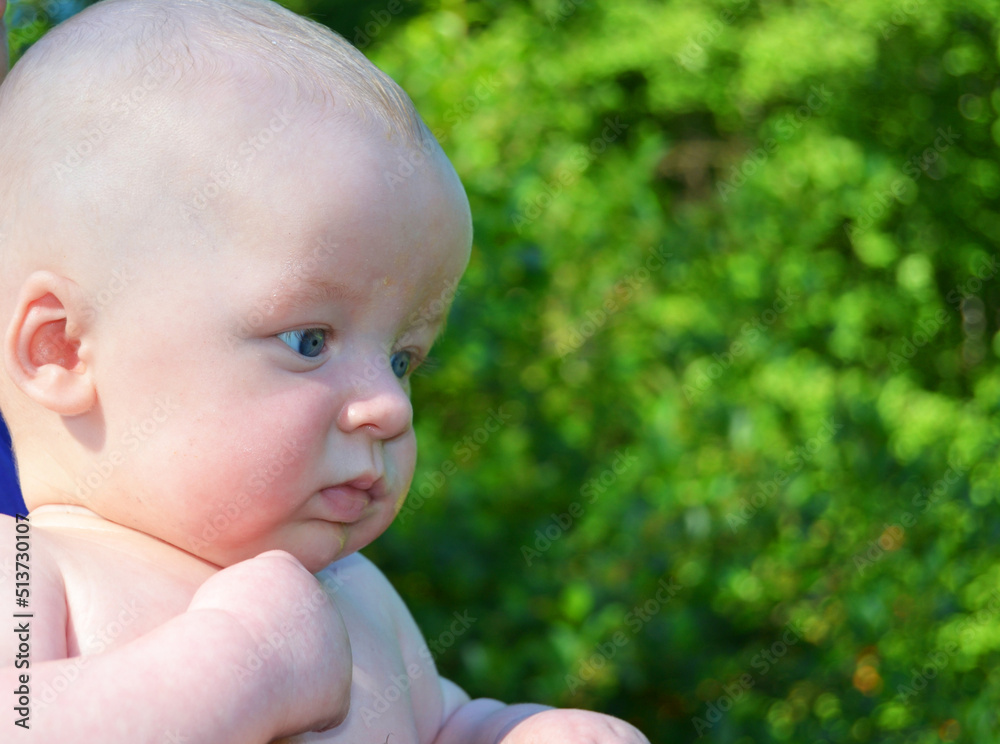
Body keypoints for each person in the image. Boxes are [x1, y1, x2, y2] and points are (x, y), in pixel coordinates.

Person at [0, 1, 650, 742]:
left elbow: (436, 721)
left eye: (404, 358)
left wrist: (511, 730)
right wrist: (245, 663)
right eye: (310, 340)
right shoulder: (28, 569)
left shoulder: (354, 593)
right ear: (62, 349)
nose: (389, 407)